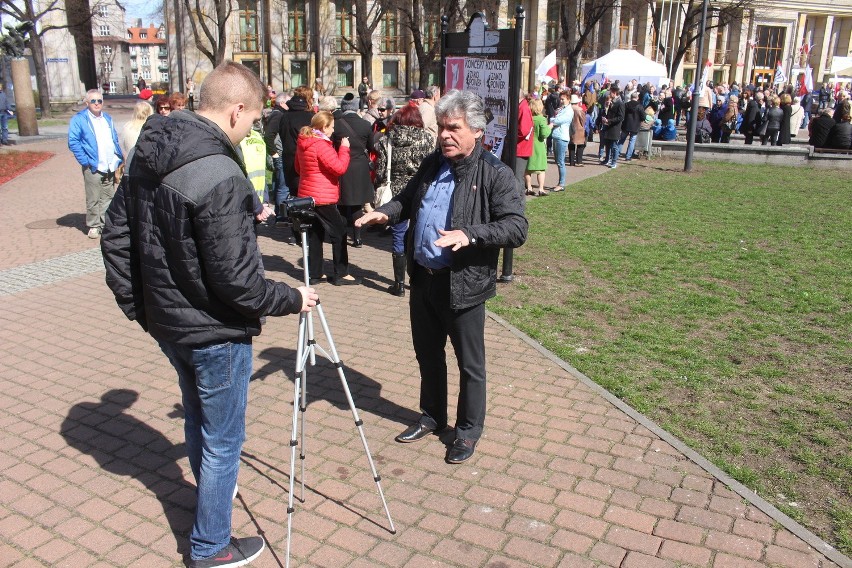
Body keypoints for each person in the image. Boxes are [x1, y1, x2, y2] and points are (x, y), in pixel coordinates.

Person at [101, 61, 318, 568]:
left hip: (171, 324)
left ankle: (208, 509)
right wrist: (292, 297)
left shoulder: (147, 152)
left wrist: (145, 309)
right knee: (223, 440)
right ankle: (210, 546)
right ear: (236, 109)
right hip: (212, 331)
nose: (253, 130)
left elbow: (116, 238)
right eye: (255, 120)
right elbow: (239, 283)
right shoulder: (219, 171)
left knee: (199, 419)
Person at [355, 90, 528, 464]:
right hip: (425, 279)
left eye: (454, 128)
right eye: (442, 128)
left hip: (462, 283)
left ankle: (466, 433)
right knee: (428, 355)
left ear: (477, 131)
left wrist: (471, 234)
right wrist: (385, 213)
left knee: (470, 365)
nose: (446, 135)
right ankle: (432, 417)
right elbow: (407, 199)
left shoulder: (494, 174)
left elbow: (516, 227)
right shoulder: (434, 163)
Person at [372, 104, 434, 296]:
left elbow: (381, 171)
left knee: (398, 236)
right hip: (422, 191)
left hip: (396, 195)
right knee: (420, 231)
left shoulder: (387, 140)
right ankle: (418, 278)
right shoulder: (427, 138)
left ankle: (399, 284)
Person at [295, 111, 358, 285]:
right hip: (322, 196)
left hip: (307, 194)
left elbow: (298, 168)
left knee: (316, 234)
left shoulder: (303, 142)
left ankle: (315, 274)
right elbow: (339, 168)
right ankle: (341, 273)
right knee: (339, 232)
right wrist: (344, 149)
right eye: (331, 127)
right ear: (323, 127)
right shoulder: (320, 144)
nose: (332, 131)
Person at [68, 88, 123, 239]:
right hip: (93, 165)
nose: (97, 104)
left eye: (99, 100)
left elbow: (113, 139)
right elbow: (73, 141)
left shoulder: (107, 118)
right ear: (87, 102)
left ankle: (106, 223)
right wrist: (85, 160)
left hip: (109, 164)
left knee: (108, 196)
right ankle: (93, 225)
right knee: (93, 197)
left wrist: (117, 157)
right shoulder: (80, 119)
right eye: (93, 101)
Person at [333, 93, 374, 248]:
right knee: (357, 204)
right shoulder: (365, 125)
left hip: (342, 166)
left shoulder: (336, 125)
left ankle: (342, 237)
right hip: (360, 168)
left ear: (342, 107)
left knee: (342, 204)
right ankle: (357, 238)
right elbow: (370, 147)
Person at [278, 85, 315, 199]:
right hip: (305, 161)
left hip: (289, 158)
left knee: (294, 195)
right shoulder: (310, 117)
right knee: (307, 197)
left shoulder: (285, 116)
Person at [525, 98, 551, 196]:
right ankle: (541, 189)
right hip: (539, 146)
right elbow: (544, 134)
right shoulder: (541, 119)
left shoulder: (528, 117)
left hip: (528, 144)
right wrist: (550, 127)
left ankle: (529, 187)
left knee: (528, 168)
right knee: (541, 169)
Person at [549, 91, 573, 191]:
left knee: (560, 161)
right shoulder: (563, 109)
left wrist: (551, 121)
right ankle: (560, 182)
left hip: (562, 137)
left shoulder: (569, 111)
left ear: (569, 99)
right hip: (557, 136)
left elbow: (559, 120)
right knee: (558, 161)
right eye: (561, 99)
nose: (561, 101)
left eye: (563, 99)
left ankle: (561, 183)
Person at [600, 85, 624, 169]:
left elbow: (621, 117)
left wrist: (609, 120)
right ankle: (607, 159)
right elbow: (608, 113)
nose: (610, 94)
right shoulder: (611, 102)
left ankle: (614, 162)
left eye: (611, 92)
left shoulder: (620, 103)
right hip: (608, 126)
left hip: (615, 127)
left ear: (614, 93)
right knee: (607, 144)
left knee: (614, 146)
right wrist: (606, 109)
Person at [515, 90, 533, 183]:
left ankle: (519, 198)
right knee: (516, 176)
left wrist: (511, 136)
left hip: (521, 147)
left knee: (518, 177)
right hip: (519, 147)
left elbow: (524, 130)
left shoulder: (523, 108)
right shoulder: (522, 106)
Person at [620, 91, 644, 161]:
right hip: (635, 125)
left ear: (630, 97)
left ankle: (616, 153)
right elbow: (643, 116)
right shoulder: (639, 106)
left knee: (621, 140)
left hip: (626, 124)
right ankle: (628, 156)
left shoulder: (625, 105)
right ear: (637, 98)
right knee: (632, 141)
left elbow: (622, 114)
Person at [569, 93, 587, 167]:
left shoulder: (568, 108)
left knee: (571, 145)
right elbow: (583, 120)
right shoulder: (579, 110)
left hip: (570, 128)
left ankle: (571, 161)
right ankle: (579, 161)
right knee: (580, 145)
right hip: (579, 129)